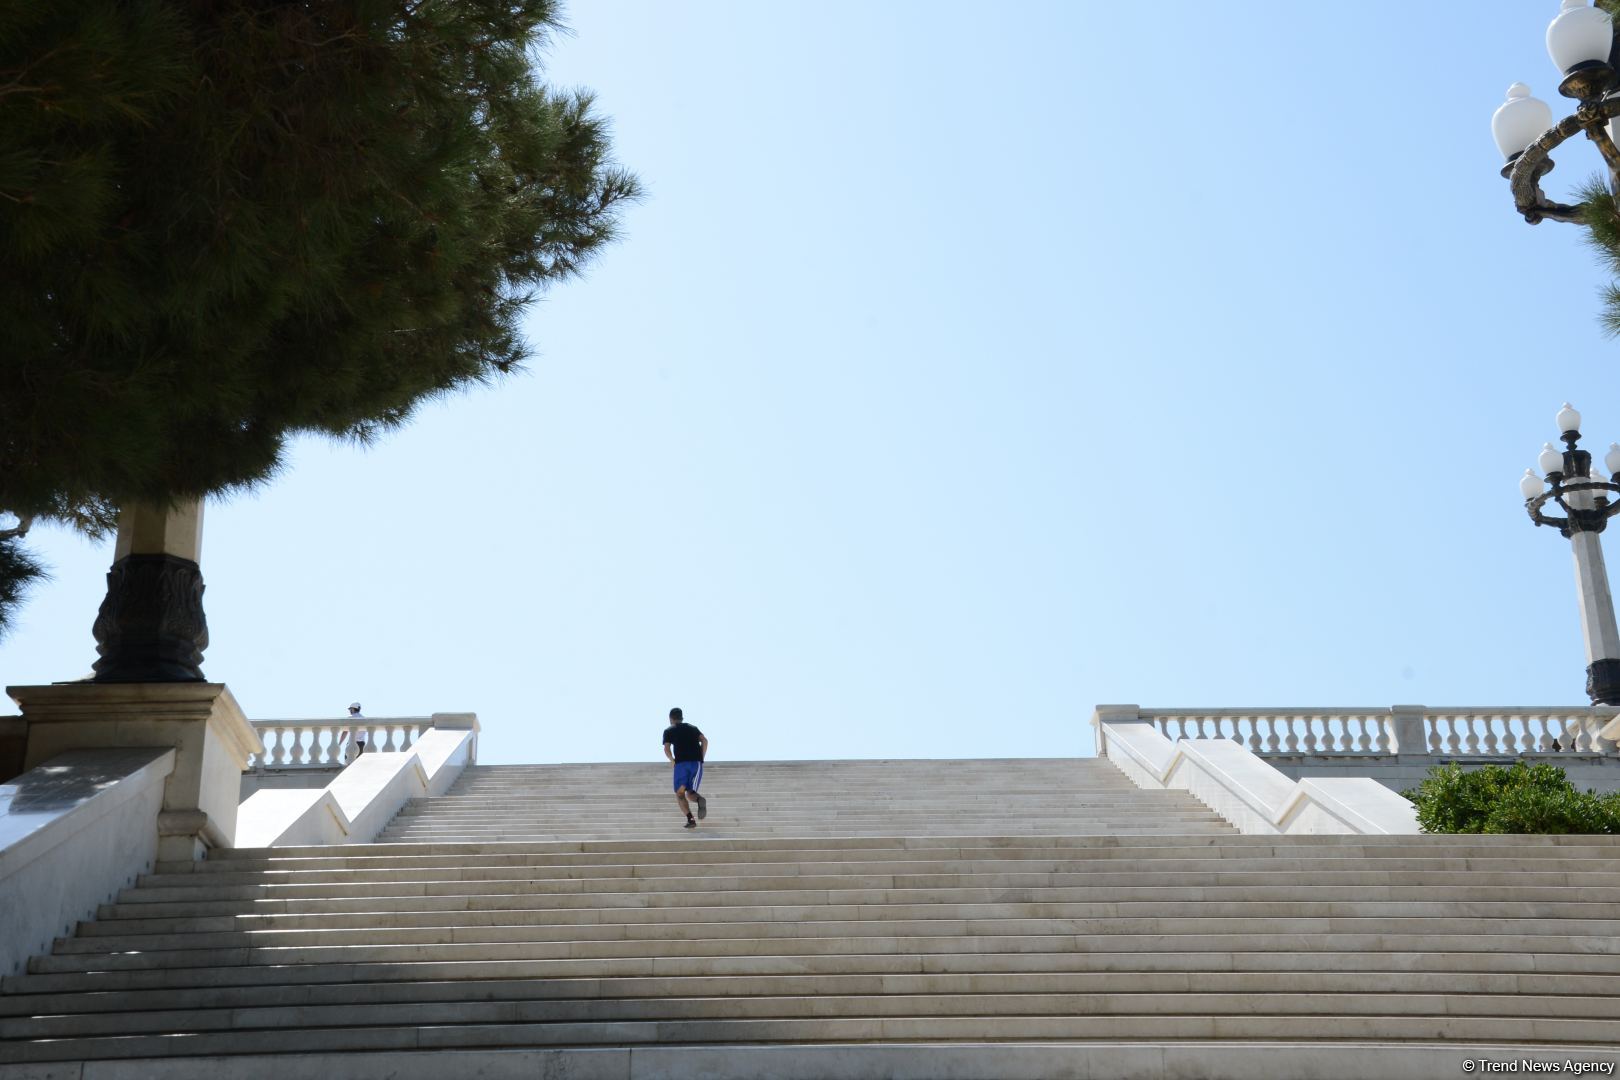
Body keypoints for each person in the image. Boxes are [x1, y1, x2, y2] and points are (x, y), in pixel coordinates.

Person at [661, 707, 708, 829]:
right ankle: (699, 800)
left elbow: (666, 748)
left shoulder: (669, 730)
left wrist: (672, 760)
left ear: (671, 718)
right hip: (696, 763)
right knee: (690, 793)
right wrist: (701, 757)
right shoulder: (693, 728)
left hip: (681, 764)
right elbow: (704, 740)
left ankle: (691, 819)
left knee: (680, 794)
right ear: (682, 717)